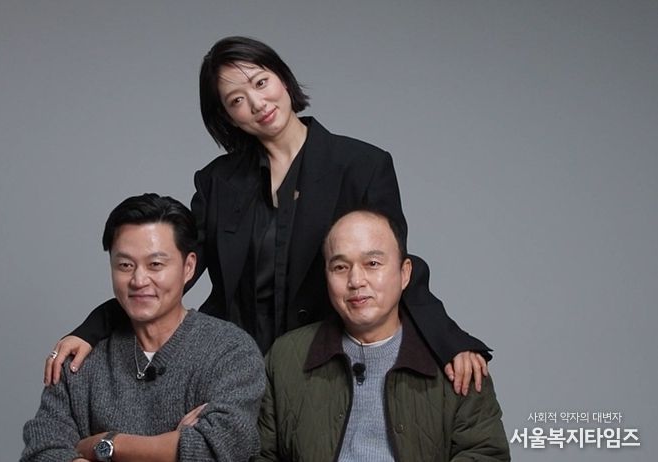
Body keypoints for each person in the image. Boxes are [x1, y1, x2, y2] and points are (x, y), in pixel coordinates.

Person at [45, 36, 490, 395]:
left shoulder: (361, 166)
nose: (257, 103)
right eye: (236, 100)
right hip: (230, 365)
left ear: (283, 78)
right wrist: (92, 329)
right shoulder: (217, 181)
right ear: (227, 117)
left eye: (261, 82)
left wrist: (451, 343)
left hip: (326, 364)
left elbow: (394, 266)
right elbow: (174, 269)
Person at [21, 193, 265, 462]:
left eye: (155, 265)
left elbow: (221, 448)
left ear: (188, 267)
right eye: (125, 265)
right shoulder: (79, 359)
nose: (138, 280)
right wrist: (172, 447)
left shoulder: (230, 351)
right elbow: (41, 450)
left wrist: (104, 444)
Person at [256, 209, 510, 461]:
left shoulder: (456, 364)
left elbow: (485, 454)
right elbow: (260, 454)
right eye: (340, 267)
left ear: (405, 273)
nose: (356, 280)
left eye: (372, 264)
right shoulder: (286, 357)